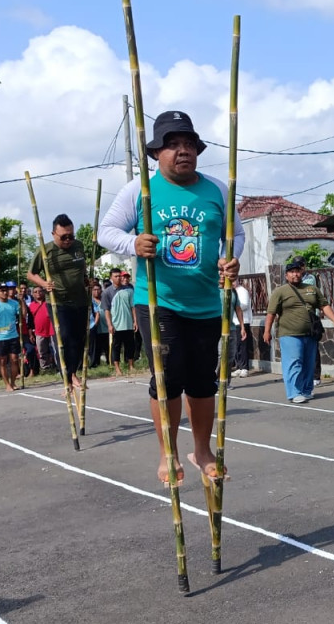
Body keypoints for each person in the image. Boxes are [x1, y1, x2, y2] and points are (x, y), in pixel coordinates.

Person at [97, 109, 243, 484]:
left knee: (203, 381)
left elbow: (235, 234)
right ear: (156, 153)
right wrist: (134, 242)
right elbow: (106, 231)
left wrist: (231, 258)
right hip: (159, 302)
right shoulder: (140, 190)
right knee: (167, 378)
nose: (183, 151)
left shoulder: (217, 189)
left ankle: (202, 450)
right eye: (173, 145)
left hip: (208, 302)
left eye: (189, 144)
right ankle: (168, 453)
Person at [264, 258, 334, 404]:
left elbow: (324, 306)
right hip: (289, 334)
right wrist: (267, 331)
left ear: (302, 272)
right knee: (294, 362)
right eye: (292, 272)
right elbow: (271, 313)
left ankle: (306, 390)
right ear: (286, 275)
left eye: (298, 272)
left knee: (309, 363)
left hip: (310, 334)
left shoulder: (312, 289)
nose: (295, 275)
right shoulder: (280, 292)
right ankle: (294, 392)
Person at [27, 214, 90, 389]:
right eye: (64, 237)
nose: (68, 240)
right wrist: (44, 284)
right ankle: (67, 376)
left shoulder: (79, 246)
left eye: (71, 235)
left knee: (80, 339)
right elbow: (30, 274)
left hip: (81, 300)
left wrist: (85, 278)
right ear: (54, 234)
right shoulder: (45, 250)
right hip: (59, 302)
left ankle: (73, 372)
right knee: (65, 337)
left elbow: (82, 266)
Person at [0, 282, 22, 391]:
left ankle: (13, 382)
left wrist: (22, 301)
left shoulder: (14, 303)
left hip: (13, 336)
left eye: (6, 290)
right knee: (2, 361)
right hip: (0, 337)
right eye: (2, 290)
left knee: (14, 360)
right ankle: (7, 384)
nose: (5, 292)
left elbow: (23, 315)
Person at [107, 272, 137, 378]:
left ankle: (131, 365)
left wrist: (135, 321)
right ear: (111, 278)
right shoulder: (108, 292)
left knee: (130, 345)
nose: (119, 278)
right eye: (116, 276)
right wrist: (109, 324)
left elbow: (133, 306)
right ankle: (117, 368)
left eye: (120, 276)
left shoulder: (129, 290)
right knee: (116, 347)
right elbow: (106, 310)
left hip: (128, 323)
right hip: (116, 325)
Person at [231, 281, 253, 377]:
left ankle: (244, 368)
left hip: (243, 322)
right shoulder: (231, 291)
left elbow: (244, 305)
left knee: (243, 346)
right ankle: (239, 366)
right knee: (236, 346)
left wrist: (233, 305)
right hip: (233, 322)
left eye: (233, 280)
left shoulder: (242, 291)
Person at [89, 282, 109, 368]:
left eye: (98, 289)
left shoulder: (105, 300)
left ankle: (109, 362)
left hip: (106, 328)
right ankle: (95, 363)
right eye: (94, 290)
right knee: (96, 347)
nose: (96, 291)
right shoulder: (90, 301)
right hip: (95, 328)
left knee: (107, 347)